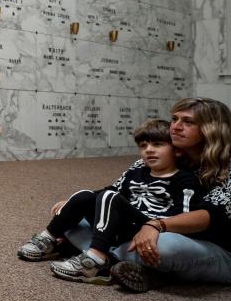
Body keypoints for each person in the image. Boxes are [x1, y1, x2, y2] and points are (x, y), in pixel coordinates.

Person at [17, 119, 204, 284]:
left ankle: (95, 261)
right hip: (121, 225)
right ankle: (49, 239)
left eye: (157, 144)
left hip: (148, 226)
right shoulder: (136, 172)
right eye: (143, 145)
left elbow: (183, 215)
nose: (149, 150)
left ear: (177, 151)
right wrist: (72, 202)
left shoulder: (184, 179)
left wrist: (155, 226)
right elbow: (109, 190)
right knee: (85, 195)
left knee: (110, 198)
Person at [108, 98, 231, 292]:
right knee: (83, 215)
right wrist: (76, 202)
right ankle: (145, 268)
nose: (176, 126)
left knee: (166, 245)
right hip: (150, 229)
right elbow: (116, 190)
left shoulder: (226, 165)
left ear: (211, 128)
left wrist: (156, 225)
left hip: (217, 248)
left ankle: (101, 255)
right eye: (174, 119)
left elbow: (210, 216)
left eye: (188, 122)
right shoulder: (166, 155)